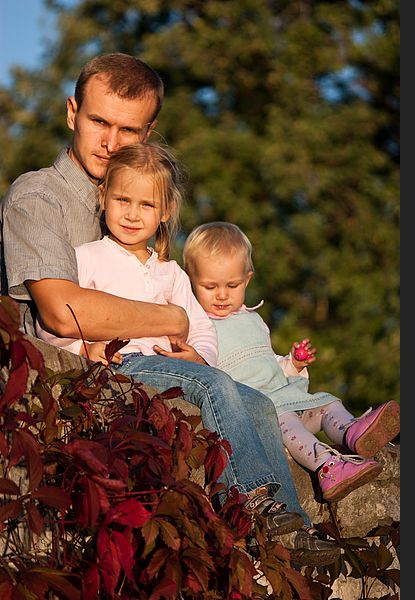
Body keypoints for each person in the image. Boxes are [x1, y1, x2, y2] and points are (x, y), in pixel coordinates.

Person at [0, 53, 340, 567]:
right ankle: (254, 503)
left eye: (128, 130)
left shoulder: (138, 209)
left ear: (150, 133)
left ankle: (292, 526)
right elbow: (62, 312)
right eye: (98, 122)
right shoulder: (39, 197)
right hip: (70, 395)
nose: (111, 142)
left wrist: (199, 344)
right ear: (72, 113)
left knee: (255, 399)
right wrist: (172, 321)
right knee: (215, 388)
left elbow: (192, 304)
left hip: (153, 378)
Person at [183, 222, 401, 502]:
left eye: (232, 285)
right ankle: (327, 466)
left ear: (247, 280)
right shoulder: (198, 325)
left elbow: (268, 365)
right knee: (288, 422)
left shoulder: (254, 320)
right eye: (210, 286)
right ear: (191, 281)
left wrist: (294, 364)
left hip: (288, 397)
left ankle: (352, 432)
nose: (222, 295)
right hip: (263, 411)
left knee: (327, 402)